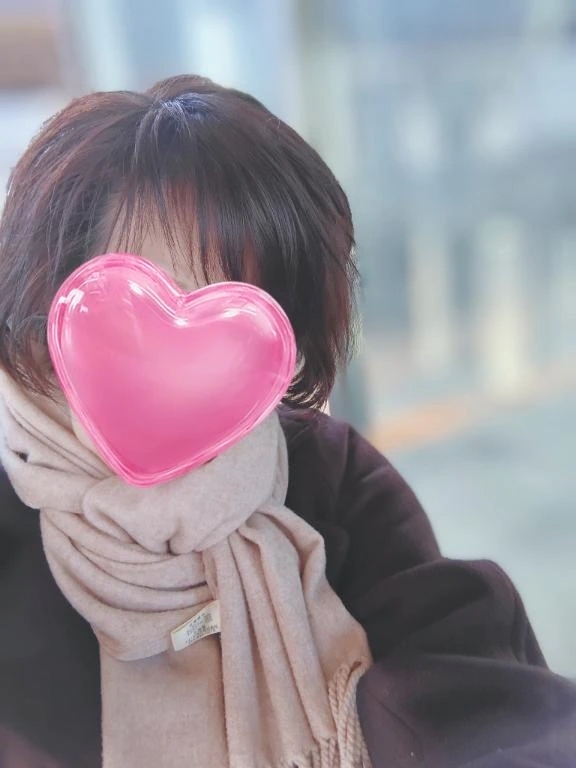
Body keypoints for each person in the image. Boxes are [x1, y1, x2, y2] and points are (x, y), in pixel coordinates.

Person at [0, 75, 574, 768]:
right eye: (127, 322)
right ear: (41, 314)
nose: (179, 371)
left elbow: (467, 675)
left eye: (233, 331)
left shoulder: (319, 472)